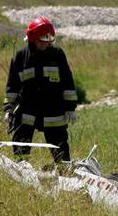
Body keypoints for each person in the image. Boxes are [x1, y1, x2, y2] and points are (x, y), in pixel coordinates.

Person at [4, 16, 78, 162]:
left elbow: (68, 82)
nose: (46, 43)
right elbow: (12, 85)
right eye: (42, 40)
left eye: (49, 39)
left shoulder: (57, 54)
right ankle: (21, 171)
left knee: (60, 147)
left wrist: (70, 108)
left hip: (53, 110)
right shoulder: (21, 56)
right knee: (21, 146)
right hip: (27, 111)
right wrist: (9, 109)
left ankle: (65, 172)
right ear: (32, 38)